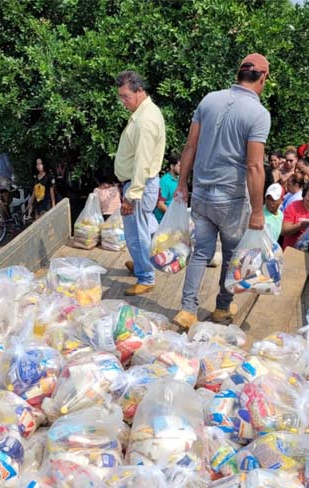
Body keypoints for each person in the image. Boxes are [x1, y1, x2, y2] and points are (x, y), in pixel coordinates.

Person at [171, 54, 269, 328]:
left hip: (201, 193)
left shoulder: (209, 100)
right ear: (262, 78)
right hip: (232, 201)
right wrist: (258, 211)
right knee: (230, 256)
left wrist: (182, 186)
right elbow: (254, 166)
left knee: (201, 253)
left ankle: (187, 311)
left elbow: (190, 147)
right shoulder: (258, 114)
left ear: (238, 74)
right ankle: (222, 308)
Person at [113, 70, 166, 296]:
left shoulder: (145, 120)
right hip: (140, 185)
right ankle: (142, 263)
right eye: (121, 97)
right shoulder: (144, 112)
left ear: (140, 91)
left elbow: (143, 162)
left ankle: (146, 277)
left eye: (126, 96)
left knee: (137, 233)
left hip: (139, 187)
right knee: (138, 229)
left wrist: (131, 196)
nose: (122, 102)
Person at [281, 181, 309, 249]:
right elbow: (284, 231)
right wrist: (300, 225)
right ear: (304, 195)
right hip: (291, 250)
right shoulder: (293, 206)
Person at [155, 155, 181, 222]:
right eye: (179, 166)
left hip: (174, 220)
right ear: (172, 166)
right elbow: (160, 204)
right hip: (163, 222)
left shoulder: (179, 180)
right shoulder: (164, 181)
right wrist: (173, 216)